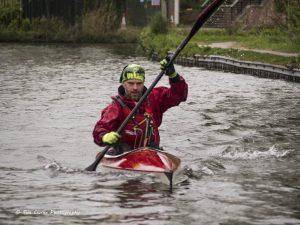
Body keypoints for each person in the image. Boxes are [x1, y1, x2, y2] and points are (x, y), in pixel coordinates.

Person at [92, 57, 188, 155]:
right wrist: (104, 136)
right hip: (123, 153)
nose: (135, 88)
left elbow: (180, 96)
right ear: (123, 84)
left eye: (139, 83)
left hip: (151, 152)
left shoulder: (155, 98)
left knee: (154, 148)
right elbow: (100, 128)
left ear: (143, 83)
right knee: (122, 147)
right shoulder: (115, 107)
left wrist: (173, 76)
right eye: (131, 83)